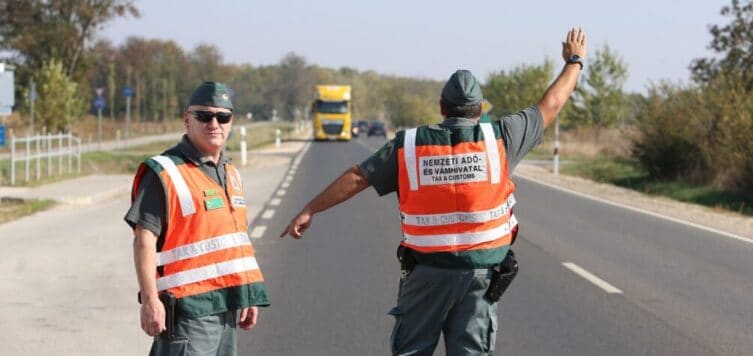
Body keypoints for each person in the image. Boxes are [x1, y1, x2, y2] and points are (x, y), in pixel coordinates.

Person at [281, 28, 586, 355]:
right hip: (479, 277)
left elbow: (357, 177)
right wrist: (574, 61)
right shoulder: (501, 138)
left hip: (426, 275)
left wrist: (310, 209)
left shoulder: (410, 145)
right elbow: (551, 104)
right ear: (480, 109)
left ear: (442, 107)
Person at [125, 81, 270, 356]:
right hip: (188, 312)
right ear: (187, 119)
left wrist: (248, 291)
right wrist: (149, 300)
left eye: (222, 117)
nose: (214, 123)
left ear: (231, 122)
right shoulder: (165, 171)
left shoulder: (230, 172)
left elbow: (236, 241)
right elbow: (143, 240)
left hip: (227, 307)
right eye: (204, 116)